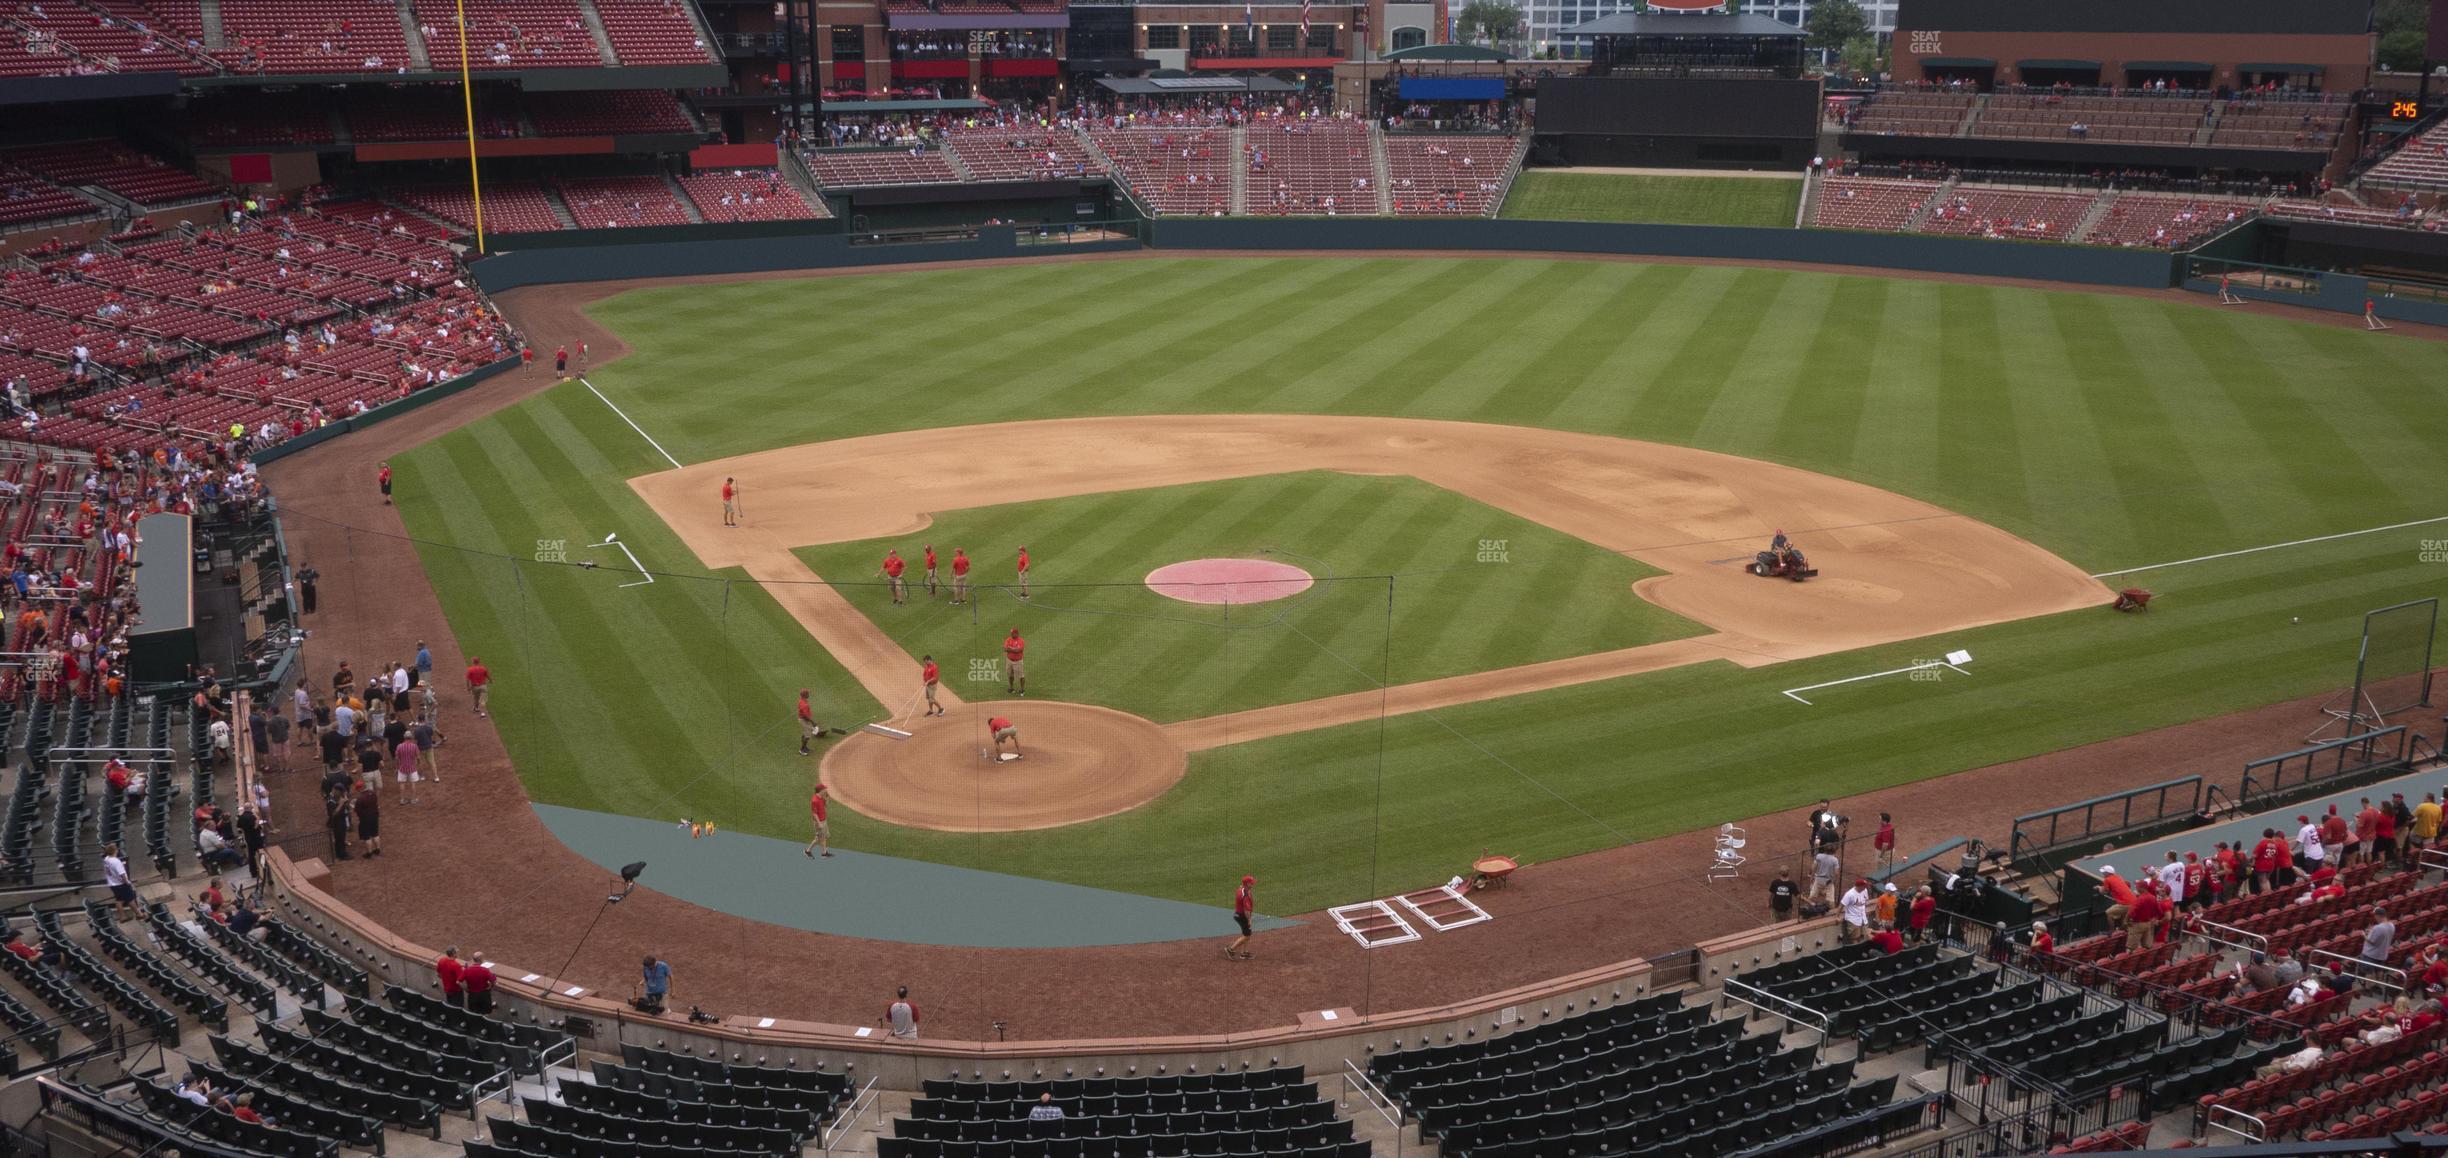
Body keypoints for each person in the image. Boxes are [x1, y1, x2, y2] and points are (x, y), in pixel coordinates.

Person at [102, 843, 134, 920]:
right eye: (116, 848)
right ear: (115, 851)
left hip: (112, 884)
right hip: (120, 884)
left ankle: (123, 916)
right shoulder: (116, 861)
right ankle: (138, 914)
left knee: (119, 900)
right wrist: (127, 882)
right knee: (130, 899)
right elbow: (122, 874)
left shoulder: (106, 859)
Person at [1228, 875, 1256, 960]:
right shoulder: (1245, 895)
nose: (1252, 884)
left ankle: (1244, 953)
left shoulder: (1241, 889)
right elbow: (1246, 910)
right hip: (1242, 916)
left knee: (1247, 933)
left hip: (1239, 915)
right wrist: (1249, 920)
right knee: (1247, 935)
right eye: (1251, 883)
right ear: (1247, 884)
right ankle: (1231, 949)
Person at [354, 779, 381, 857]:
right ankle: (377, 849)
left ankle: (369, 853)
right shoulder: (373, 793)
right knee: (375, 833)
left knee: (367, 836)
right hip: (375, 817)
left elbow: (357, 810)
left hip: (365, 819)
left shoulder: (360, 799)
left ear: (359, 789)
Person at [804, 783, 832, 858]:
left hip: (824, 820)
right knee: (818, 839)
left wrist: (827, 797)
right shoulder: (815, 800)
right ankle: (807, 851)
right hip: (819, 822)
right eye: (824, 789)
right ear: (821, 790)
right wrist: (819, 823)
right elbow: (814, 813)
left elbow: (825, 805)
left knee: (824, 837)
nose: (825, 790)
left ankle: (824, 852)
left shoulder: (821, 797)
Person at [797, 689, 824, 756]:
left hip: (804, 719)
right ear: (805, 695)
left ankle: (805, 747)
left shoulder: (802, 700)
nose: (809, 694)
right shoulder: (804, 704)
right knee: (807, 735)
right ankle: (802, 750)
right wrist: (813, 722)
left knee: (805, 733)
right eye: (808, 693)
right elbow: (805, 716)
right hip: (804, 720)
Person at [1004, 629, 1026, 696]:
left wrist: (1010, 648)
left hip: (1018, 661)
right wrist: (1013, 649)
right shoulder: (1008, 639)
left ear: (1016, 633)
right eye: (1011, 633)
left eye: (1012, 633)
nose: (1011, 634)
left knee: (1021, 676)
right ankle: (1011, 688)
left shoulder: (1021, 641)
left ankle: (1022, 690)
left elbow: (1018, 650)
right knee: (1010, 675)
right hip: (1009, 660)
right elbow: (1005, 649)